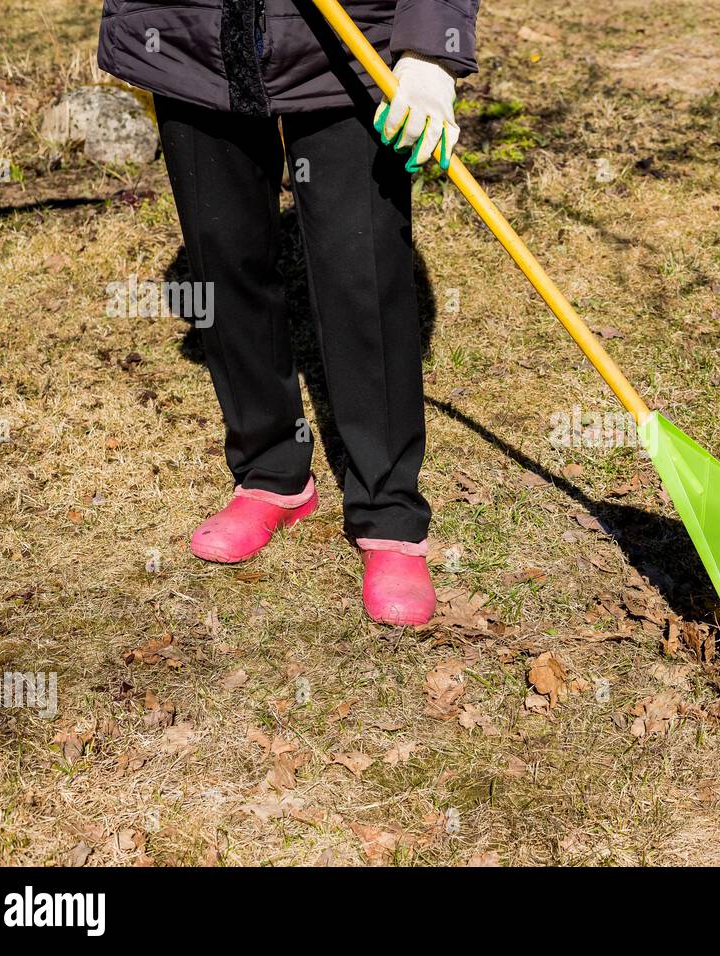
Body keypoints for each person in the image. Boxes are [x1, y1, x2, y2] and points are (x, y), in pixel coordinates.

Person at [97, 0, 480, 626]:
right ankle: (271, 472)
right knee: (224, 262)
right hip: (193, 37)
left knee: (363, 269)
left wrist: (429, 53)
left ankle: (388, 511)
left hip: (348, 42)